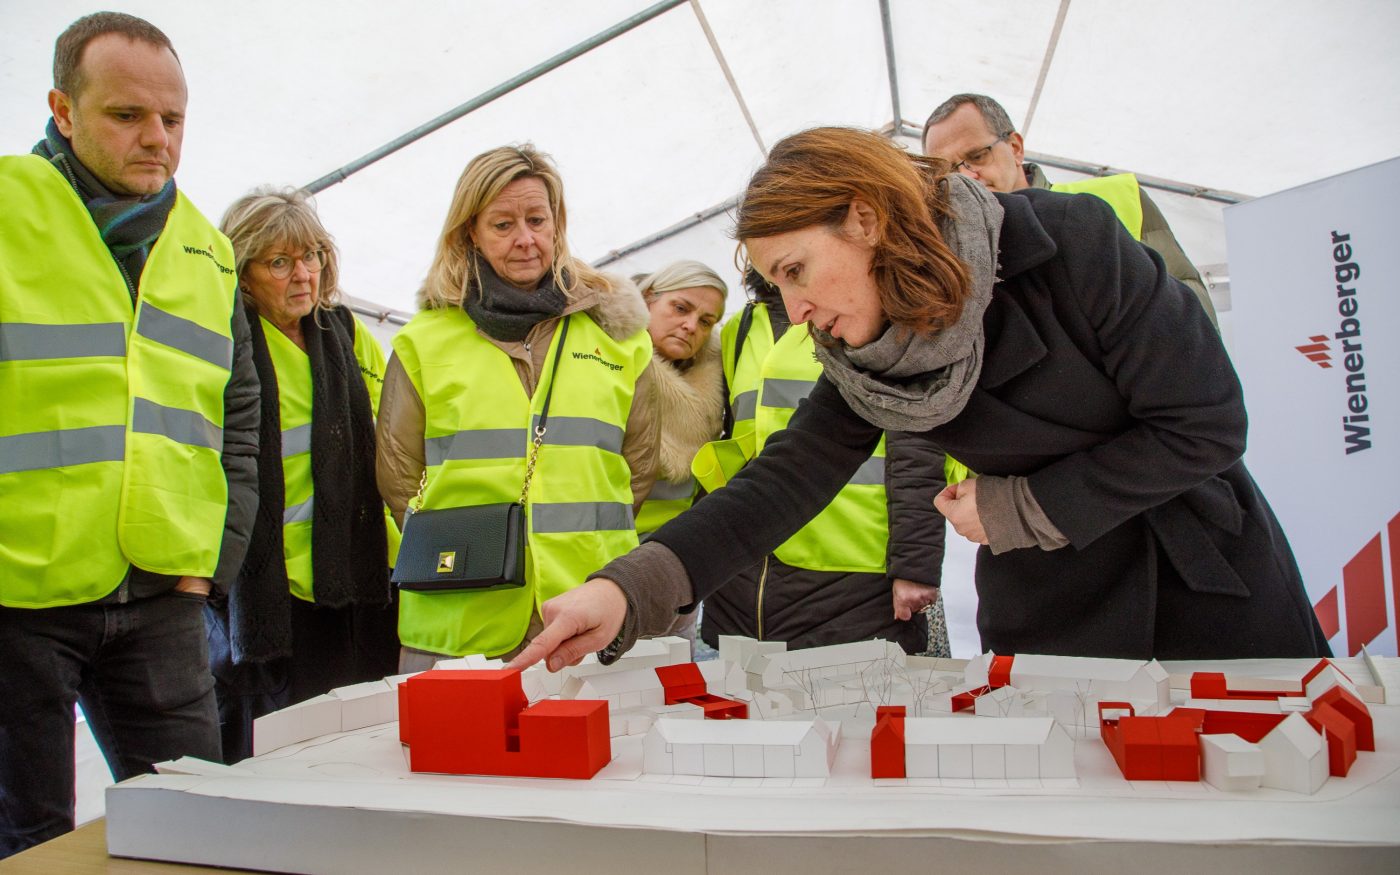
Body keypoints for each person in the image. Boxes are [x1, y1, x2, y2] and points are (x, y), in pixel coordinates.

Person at [510, 126, 1330, 674]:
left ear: (864, 219)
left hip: (1200, 586)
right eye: (775, 284)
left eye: (795, 270)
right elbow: (779, 483)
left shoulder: (1073, 245)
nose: (792, 311)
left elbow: (1207, 422)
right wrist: (625, 590)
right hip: (1055, 613)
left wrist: (1017, 508)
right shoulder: (865, 355)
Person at [0, 13, 260, 855]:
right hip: (18, 596)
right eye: (126, 115)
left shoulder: (210, 252)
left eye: (172, 119)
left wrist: (215, 564)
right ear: (62, 110)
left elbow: (238, 419)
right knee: (27, 837)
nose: (157, 138)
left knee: (196, 829)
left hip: (162, 592)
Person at [376, 144, 659, 669]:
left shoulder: (619, 339)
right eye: (503, 224)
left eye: (537, 220)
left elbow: (639, 466)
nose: (525, 239)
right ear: (470, 234)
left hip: (585, 607)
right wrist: (460, 554)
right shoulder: (424, 342)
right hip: (460, 618)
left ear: (557, 226)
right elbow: (398, 476)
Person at [205, 188, 400, 763]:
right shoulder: (227, 345)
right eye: (280, 262)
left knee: (366, 740)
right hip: (275, 586)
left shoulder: (347, 332)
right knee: (285, 749)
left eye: (312, 255)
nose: (304, 275)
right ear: (242, 275)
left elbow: (388, 438)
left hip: (363, 576)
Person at [694, 268, 942, 655]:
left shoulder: (868, 316)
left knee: (851, 707)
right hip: (746, 576)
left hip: (853, 571)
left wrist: (914, 566)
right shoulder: (739, 329)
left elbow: (916, 450)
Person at [921, 93, 1217, 327]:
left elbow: (1191, 304)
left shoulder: (1116, 197)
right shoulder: (948, 250)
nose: (967, 177)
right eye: (948, 172)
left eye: (977, 156)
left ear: (1014, 147)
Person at [633, 260, 727, 539]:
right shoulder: (604, 363)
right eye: (681, 308)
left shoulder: (719, 385)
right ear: (648, 298)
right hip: (601, 544)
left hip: (672, 546)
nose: (690, 326)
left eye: (706, 322)